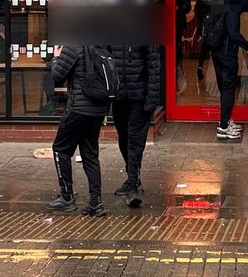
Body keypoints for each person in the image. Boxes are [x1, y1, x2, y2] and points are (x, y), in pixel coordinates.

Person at [47, 44, 111, 216]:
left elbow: (57, 76)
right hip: (98, 109)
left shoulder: (73, 45)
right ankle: (96, 203)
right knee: (90, 154)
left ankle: (66, 196)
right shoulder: (99, 43)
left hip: (78, 109)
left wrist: (55, 57)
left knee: (60, 149)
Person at [110, 39, 162, 207]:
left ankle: (133, 186)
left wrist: (151, 101)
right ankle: (133, 176)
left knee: (135, 141)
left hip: (139, 98)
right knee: (123, 138)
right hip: (119, 98)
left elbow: (154, 67)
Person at [197, 0, 248, 139]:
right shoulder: (232, 10)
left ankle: (226, 120)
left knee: (224, 88)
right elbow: (234, 34)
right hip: (227, 56)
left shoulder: (219, 7)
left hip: (216, 53)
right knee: (229, 89)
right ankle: (223, 127)